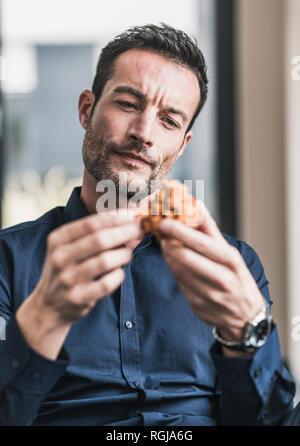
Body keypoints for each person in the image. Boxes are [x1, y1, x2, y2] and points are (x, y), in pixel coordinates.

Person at [0, 24, 295, 426]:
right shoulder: (8, 260)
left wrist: (249, 335)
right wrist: (43, 320)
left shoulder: (233, 264)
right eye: (127, 104)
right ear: (87, 109)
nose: (144, 134)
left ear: (182, 146)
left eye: (169, 121)